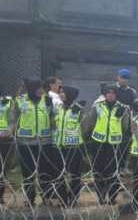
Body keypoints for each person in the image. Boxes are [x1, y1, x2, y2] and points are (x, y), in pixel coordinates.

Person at [12, 78, 59, 207]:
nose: (41, 91)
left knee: (44, 171)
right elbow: (15, 120)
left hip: (44, 142)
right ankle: (30, 198)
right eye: (39, 88)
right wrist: (13, 135)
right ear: (32, 89)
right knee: (28, 172)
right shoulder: (20, 101)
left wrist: (55, 126)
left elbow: (52, 119)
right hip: (25, 143)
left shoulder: (48, 101)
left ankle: (46, 197)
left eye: (42, 88)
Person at [83, 84, 130, 205]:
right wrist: (88, 139)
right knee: (99, 171)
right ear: (105, 94)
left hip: (115, 145)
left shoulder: (122, 108)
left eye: (113, 93)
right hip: (98, 143)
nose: (110, 95)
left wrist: (124, 142)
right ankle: (101, 196)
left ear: (116, 95)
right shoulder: (98, 106)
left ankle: (112, 197)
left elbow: (126, 127)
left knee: (113, 172)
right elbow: (90, 122)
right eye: (108, 93)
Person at [52, 85, 85, 206]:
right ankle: (62, 199)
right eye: (60, 92)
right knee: (59, 174)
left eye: (63, 92)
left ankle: (73, 198)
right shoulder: (57, 108)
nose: (60, 94)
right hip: (58, 147)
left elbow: (84, 127)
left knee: (74, 174)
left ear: (69, 94)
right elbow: (53, 124)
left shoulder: (78, 109)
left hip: (74, 146)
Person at [0, 85, 14, 206]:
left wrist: (8, 132)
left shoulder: (7, 102)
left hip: (4, 139)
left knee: (2, 169)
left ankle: (0, 196)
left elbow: (12, 120)